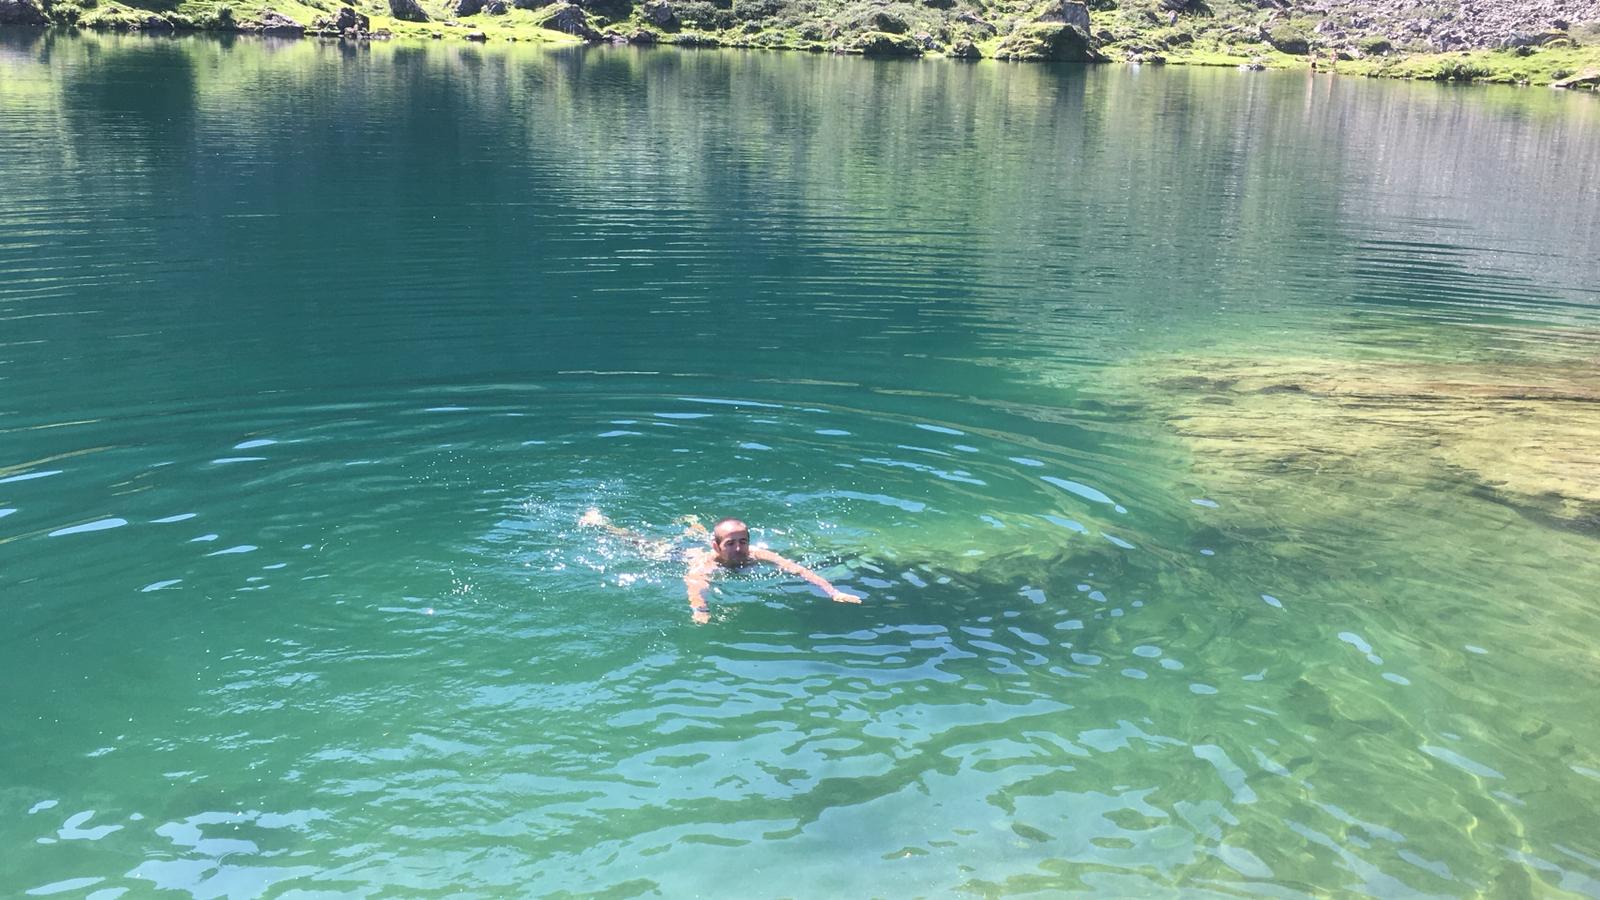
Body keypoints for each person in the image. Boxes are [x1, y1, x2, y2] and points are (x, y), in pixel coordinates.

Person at [578, 509, 861, 624]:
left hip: (701, 546)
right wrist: (700, 609)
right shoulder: (706, 562)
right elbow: (695, 584)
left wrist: (831, 591)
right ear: (717, 547)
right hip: (675, 555)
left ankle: (695, 525)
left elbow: (799, 569)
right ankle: (601, 524)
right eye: (731, 543)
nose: (739, 549)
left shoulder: (758, 555)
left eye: (743, 542)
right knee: (640, 545)